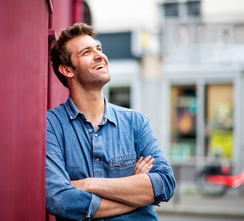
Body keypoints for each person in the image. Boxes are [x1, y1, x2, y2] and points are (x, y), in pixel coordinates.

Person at [46, 23, 175, 220]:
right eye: (86, 52)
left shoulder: (136, 123)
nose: (100, 55)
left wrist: (89, 184)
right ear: (67, 70)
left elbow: (164, 184)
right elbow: (60, 199)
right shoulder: (53, 125)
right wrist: (136, 191)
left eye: (99, 48)